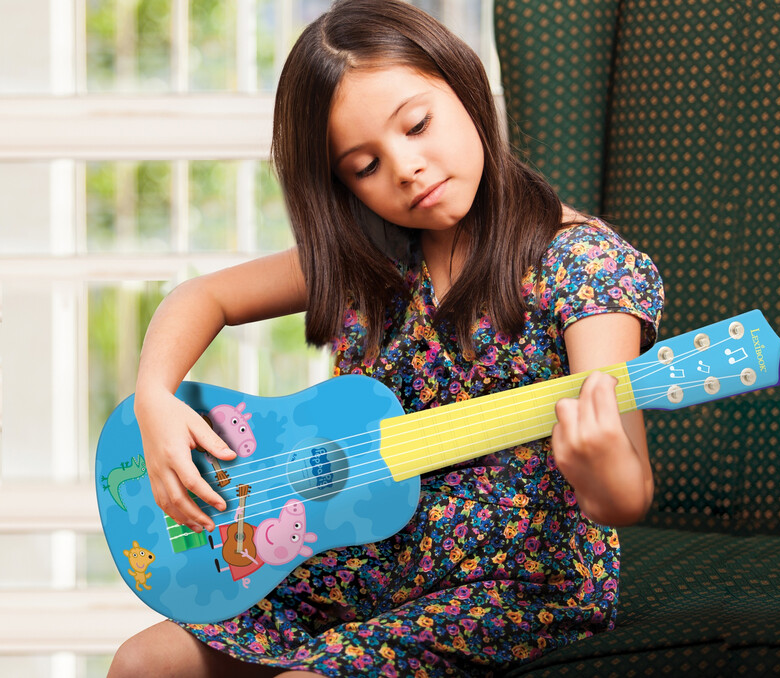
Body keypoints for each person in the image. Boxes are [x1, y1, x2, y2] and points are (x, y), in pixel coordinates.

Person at [108, 1, 663, 676]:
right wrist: (153, 398)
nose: (405, 168)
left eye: (418, 125)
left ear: (464, 88)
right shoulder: (366, 258)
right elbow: (203, 296)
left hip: (512, 585)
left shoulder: (584, 267)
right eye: (364, 165)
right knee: (142, 663)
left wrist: (604, 475)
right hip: (366, 561)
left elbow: (625, 492)